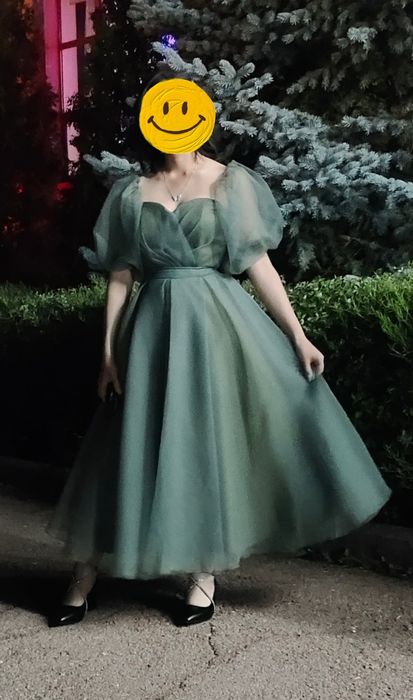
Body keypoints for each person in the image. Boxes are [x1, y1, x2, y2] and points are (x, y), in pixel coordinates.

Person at [46, 71, 392, 628]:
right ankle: (82, 576)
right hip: (152, 331)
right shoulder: (132, 192)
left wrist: (297, 335)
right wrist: (108, 355)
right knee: (125, 443)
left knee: (208, 444)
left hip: (217, 328)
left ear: (201, 119)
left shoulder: (231, 183)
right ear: (150, 123)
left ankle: (202, 575)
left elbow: (260, 266)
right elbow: (119, 277)